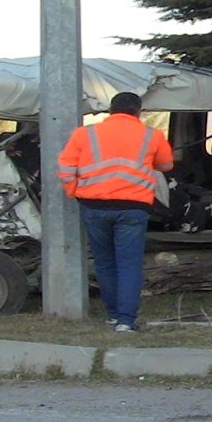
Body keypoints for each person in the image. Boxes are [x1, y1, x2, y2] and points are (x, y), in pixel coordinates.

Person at [57, 92, 174, 333]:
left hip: (94, 206)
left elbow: (66, 167)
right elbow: (166, 165)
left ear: (110, 110)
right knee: (129, 263)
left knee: (105, 262)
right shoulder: (152, 135)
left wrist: (74, 191)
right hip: (133, 207)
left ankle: (112, 314)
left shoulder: (85, 134)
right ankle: (126, 320)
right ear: (138, 111)